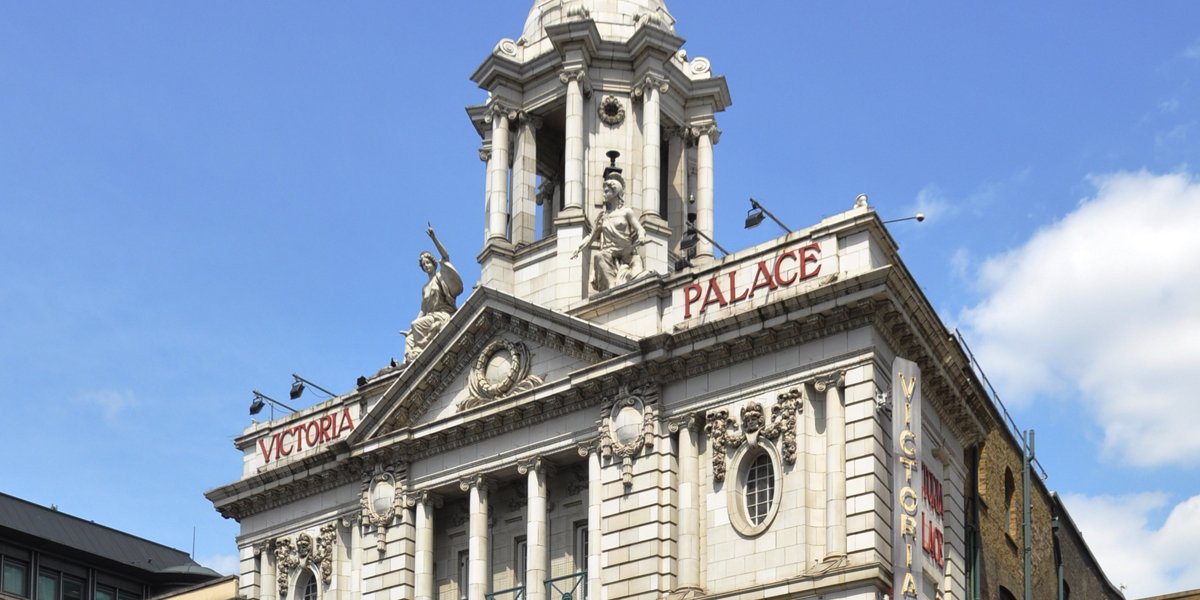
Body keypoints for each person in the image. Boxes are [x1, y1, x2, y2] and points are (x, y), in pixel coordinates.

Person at [571, 172, 647, 292]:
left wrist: (641, 236)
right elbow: (591, 236)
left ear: (615, 192)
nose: (604, 195)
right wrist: (579, 248)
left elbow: (640, 229)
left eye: (606, 192)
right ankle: (612, 286)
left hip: (627, 254)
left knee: (640, 275)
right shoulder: (603, 217)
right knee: (599, 256)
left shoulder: (626, 212)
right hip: (610, 254)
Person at [402, 225, 463, 362]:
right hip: (430, 317)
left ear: (433, 263)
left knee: (416, 325)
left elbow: (445, 256)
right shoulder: (425, 288)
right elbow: (423, 310)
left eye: (428, 263)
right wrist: (410, 330)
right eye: (424, 265)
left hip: (442, 315)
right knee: (411, 335)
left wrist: (433, 238)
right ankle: (414, 358)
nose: (426, 266)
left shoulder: (440, 277)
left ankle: (423, 352)